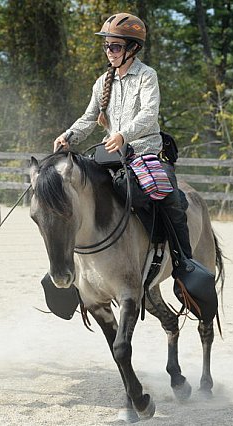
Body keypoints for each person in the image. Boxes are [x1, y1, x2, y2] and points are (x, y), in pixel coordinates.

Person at [53, 12, 192, 260]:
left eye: (115, 46)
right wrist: (68, 136)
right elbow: (88, 117)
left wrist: (123, 134)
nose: (109, 51)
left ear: (132, 48)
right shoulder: (101, 83)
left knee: (170, 199)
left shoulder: (147, 76)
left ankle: (184, 262)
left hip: (146, 151)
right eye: (106, 46)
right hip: (112, 156)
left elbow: (150, 114)